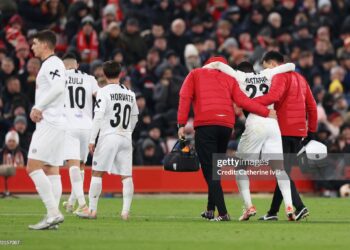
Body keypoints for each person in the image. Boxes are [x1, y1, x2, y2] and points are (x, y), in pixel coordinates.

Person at [177, 56, 276, 221]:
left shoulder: (195, 74)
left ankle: (222, 213)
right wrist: (266, 112)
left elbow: (184, 97)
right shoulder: (229, 77)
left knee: (210, 171)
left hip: (206, 124)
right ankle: (210, 209)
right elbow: (242, 101)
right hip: (225, 126)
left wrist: (181, 123)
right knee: (215, 170)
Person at [204, 60, 296, 221]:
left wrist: (202, 70)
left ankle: (249, 207)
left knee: (240, 167)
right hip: (273, 123)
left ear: (240, 70)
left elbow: (218, 64)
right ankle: (289, 206)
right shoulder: (267, 73)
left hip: (255, 122)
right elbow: (291, 66)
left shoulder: (239, 76)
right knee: (279, 169)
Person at [253, 51, 317, 221]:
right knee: (284, 173)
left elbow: (274, 96)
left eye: (266, 67)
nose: (266, 72)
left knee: (281, 172)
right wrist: (311, 131)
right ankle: (273, 212)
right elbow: (312, 106)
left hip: (281, 130)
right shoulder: (301, 79)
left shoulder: (280, 76)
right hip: (298, 132)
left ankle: (300, 206)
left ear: (273, 64)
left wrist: (251, 104)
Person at [76, 61, 139, 221]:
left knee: (97, 173)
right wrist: (128, 132)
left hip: (108, 136)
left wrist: (92, 139)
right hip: (125, 137)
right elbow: (135, 117)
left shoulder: (103, 92)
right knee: (126, 176)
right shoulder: (130, 93)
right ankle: (125, 212)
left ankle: (92, 210)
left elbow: (98, 117)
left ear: (104, 74)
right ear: (121, 74)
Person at [26, 30, 66, 230]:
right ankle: (53, 219)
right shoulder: (52, 64)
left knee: (33, 167)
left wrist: (38, 107)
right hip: (57, 123)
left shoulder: (52, 63)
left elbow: (59, 88)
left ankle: (53, 212)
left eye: (34, 43)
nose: (32, 47)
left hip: (50, 123)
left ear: (44, 44)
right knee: (51, 169)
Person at [60, 53, 99, 214]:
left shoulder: (60, 77)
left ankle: (83, 206)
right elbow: (100, 97)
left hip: (69, 125)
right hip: (87, 126)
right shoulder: (90, 78)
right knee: (81, 165)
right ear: (77, 65)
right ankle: (71, 202)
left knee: (73, 165)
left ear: (64, 66)